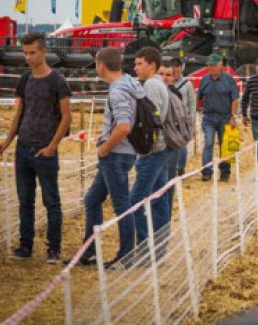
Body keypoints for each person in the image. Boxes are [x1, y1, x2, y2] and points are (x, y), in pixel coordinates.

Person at [0, 33, 71, 264]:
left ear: (43, 52)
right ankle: (25, 247)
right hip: (23, 148)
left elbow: (66, 118)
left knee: (51, 201)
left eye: (32, 53)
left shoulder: (58, 81)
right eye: (25, 53)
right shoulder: (25, 79)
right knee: (25, 200)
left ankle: (54, 250)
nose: (28, 57)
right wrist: (8, 140)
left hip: (44, 150)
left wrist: (51, 147)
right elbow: (20, 113)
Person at [71, 47, 142, 267]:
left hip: (116, 154)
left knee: (121, 205)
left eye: (96, 64)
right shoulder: (130, 83)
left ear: (101, 65)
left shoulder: (118, 90)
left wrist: (105, 148)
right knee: (92, 200)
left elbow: (123, 126)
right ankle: (89, 251)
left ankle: (127, 255)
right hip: (123, 153)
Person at [127, 47, 171, 256]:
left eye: (139, 64)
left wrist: (141, 144)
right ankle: (160, 248)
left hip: (152, 151)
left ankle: (145, 250)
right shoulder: (158, 84)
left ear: (152, 66)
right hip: (160, 149)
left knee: (136, 200)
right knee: (159, 198)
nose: (135, 68)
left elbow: (150, 121)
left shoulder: (152, 85)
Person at [197, 53, 239, 182]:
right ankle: (206, 171)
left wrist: (233, 116)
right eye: (210, 65)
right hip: (208, 117)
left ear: (221, 65)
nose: (211, 67)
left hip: (225, 117)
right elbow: (199, 96)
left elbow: (235, 99)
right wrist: (196, 108)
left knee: (224, 144)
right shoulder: (204, 80)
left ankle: (225, 172)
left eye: (214, 65)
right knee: (208, 143)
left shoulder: (229, 80)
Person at [163, 57, 196, 176]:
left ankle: (180, 167)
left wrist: (192, 119)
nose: (176, 74)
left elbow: (192, 102)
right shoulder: (165, 84)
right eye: (174, 72)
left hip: (183, 120)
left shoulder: (187, 84)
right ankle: (172, 166)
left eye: (178, 72)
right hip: (170, 121)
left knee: (182, 145)